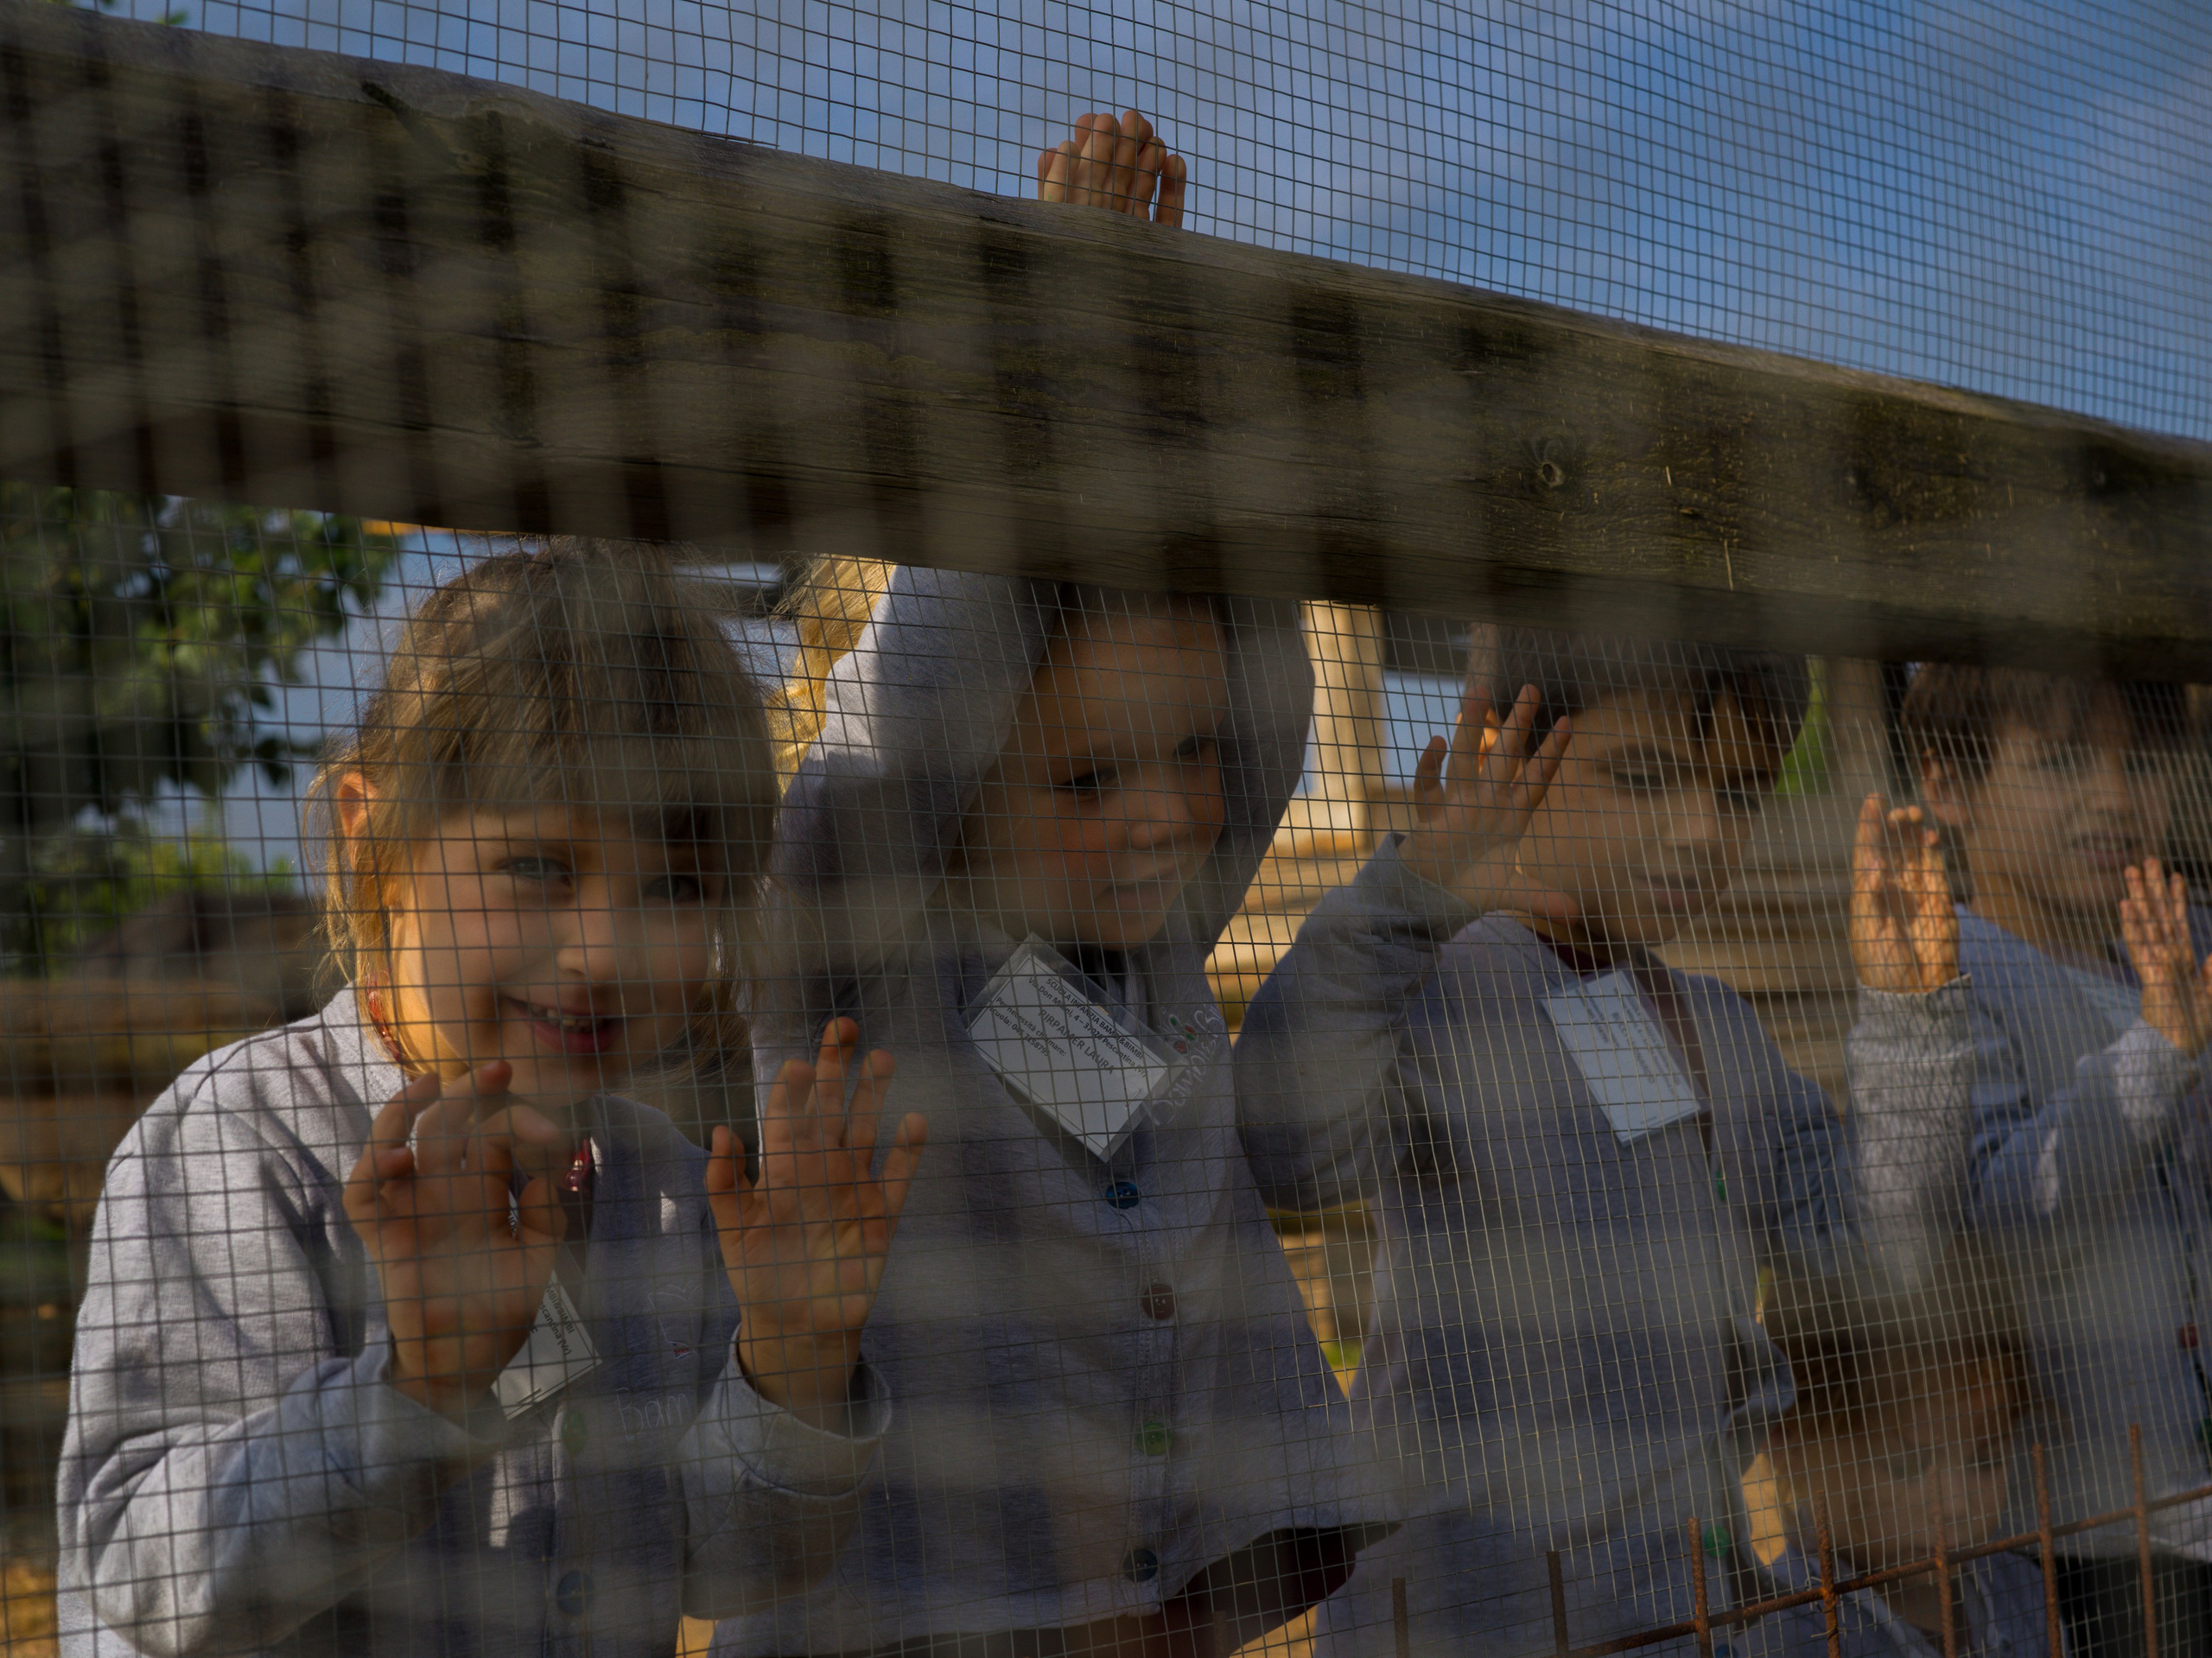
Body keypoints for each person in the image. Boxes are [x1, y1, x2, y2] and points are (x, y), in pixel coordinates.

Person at [58, 543, 926, 1658]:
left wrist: (794, 1363)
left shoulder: (661, 1176)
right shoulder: (240, 1136)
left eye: (672, 885)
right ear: (372, 828)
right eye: (538, 865)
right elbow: (143, 1569)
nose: (601, 949)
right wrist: (415, 1391)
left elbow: (724, 1561)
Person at [1235, 626, 1976, 1658]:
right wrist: (1409, 898)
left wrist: (1907, 1023)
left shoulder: (1717, 1025)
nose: (1696, 832)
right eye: (1645, 777)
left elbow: (1871, 1246)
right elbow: (1293, 1148)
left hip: (1674, 1609)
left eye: (1741, 792)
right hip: (1466, 1612)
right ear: (1508, 746)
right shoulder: (1443, 980)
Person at [716, 559, 1387, 1656]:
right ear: (955, 767)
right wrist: (1035, 462)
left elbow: (1265, 707)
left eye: (1195, 750)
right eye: (1087, 779)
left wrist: (1197, 501)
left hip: (1145, 1599)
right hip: (919, 1609)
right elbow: (905, 719)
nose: (1166, 817)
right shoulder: (851, 931)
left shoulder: (1151, 943)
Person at [1904, 664, 2211, 1658]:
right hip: (2093, 1538)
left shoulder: (2187, 938)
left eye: (2144, 762)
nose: (2117, 796)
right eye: (2065, 759)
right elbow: (1992, 1232)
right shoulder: (1947, 977)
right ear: (1946, 784)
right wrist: (2156, 1052)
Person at [1744, 1312, 2059, 1658]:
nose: (1955, 1505)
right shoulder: (1782, 1636)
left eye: (1987, 1461)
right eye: (1904, 1465)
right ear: (1787, 1444)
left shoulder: (2023, 1589)